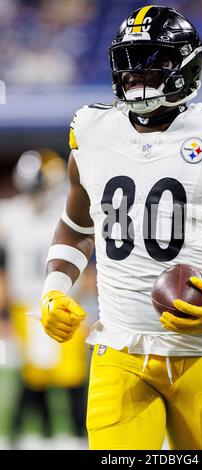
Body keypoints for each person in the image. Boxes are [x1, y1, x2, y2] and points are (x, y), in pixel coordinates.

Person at [40, 6, 202, 450]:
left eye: (154, 59)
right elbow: (76, 226)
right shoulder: (92, 131)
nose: (137, 74)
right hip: (119, 350)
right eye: (129, 61)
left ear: (187, 65)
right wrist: (54, 289)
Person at [0, 149, 88, 447]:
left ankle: (77, 434)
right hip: (27, 304)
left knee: (71, 376)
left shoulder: (65, 214)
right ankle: (30, 434)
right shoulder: (11, 215)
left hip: (63, 301)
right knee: (35, 375)